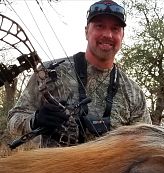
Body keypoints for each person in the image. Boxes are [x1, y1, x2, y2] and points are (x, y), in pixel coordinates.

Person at [7, 0, 152, 148]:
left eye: (115, 29)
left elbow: (145, 144)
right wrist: (35, 120)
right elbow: (13, 120)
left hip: (111, 171)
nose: (107, 34)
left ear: (122, 36)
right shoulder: (49, 71)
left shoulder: (134, 93)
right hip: (54, 169)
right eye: (99, 26)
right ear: (86, 32)